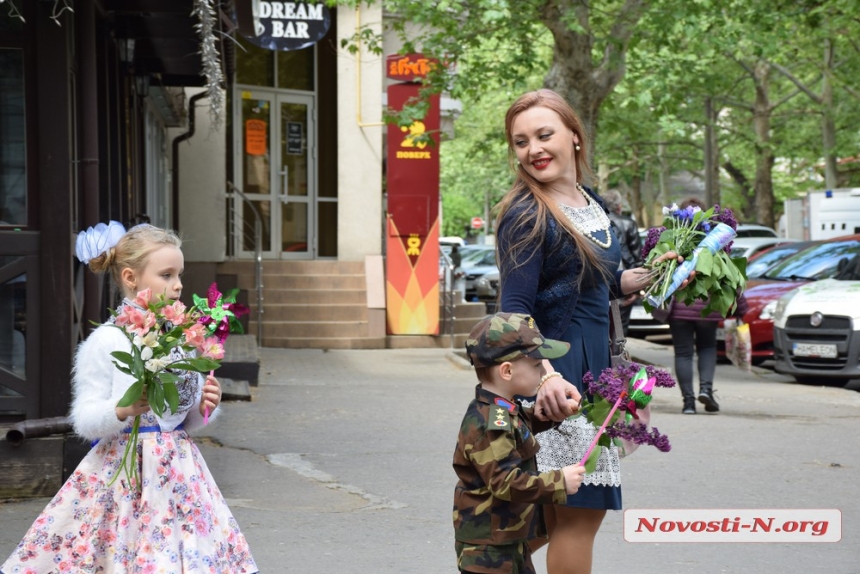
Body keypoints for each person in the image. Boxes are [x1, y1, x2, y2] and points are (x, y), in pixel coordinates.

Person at [494, 89, 688, 574]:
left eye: (544, 135)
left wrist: (646, 276)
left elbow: (596, 285)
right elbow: (513, 311)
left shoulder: (589, 201)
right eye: (521, 142)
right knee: (581, 512)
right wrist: (545, 379)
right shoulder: (526, 213)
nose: (533, 149)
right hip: (559, 375)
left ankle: (485, 562)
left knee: (551, 518)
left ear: (574, 137)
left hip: (595, 369)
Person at [1, 223, 258, 574]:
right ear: (130, 277)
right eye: (166, 274)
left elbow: (179, 417)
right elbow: (84, 417)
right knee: (121, 552)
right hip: (123, 474)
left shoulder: (180, 337)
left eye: (179, 274)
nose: (178, 284)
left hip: (179, 473)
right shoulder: (107, 340)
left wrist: (204, 406)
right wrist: (121, 409)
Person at [453, 312, 586, 574]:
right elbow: (505, 481)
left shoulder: (502, 408)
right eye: (537, 365)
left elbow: (518, 433)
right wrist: (559, 482)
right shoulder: (492, 421)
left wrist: (545, 417)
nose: (543, 372)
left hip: (507, 538)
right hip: (488, 549)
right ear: (507, 370)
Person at [653, 197, 748, 415]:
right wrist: (740, 306)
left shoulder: (673, 239)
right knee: (707, 348)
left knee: (683, 353)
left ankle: (688, 403)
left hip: (679, 308)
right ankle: (706, 389)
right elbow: (730, 273)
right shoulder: (716, 239)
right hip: (708, 308)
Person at [602, 189, 644, 336]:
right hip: (625, 281)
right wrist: (637, 288)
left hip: (602, 281)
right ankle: (617, 357)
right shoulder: (629, 223)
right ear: (619, 207)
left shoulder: (597, 222)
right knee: (620, 328)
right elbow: (636, 255)